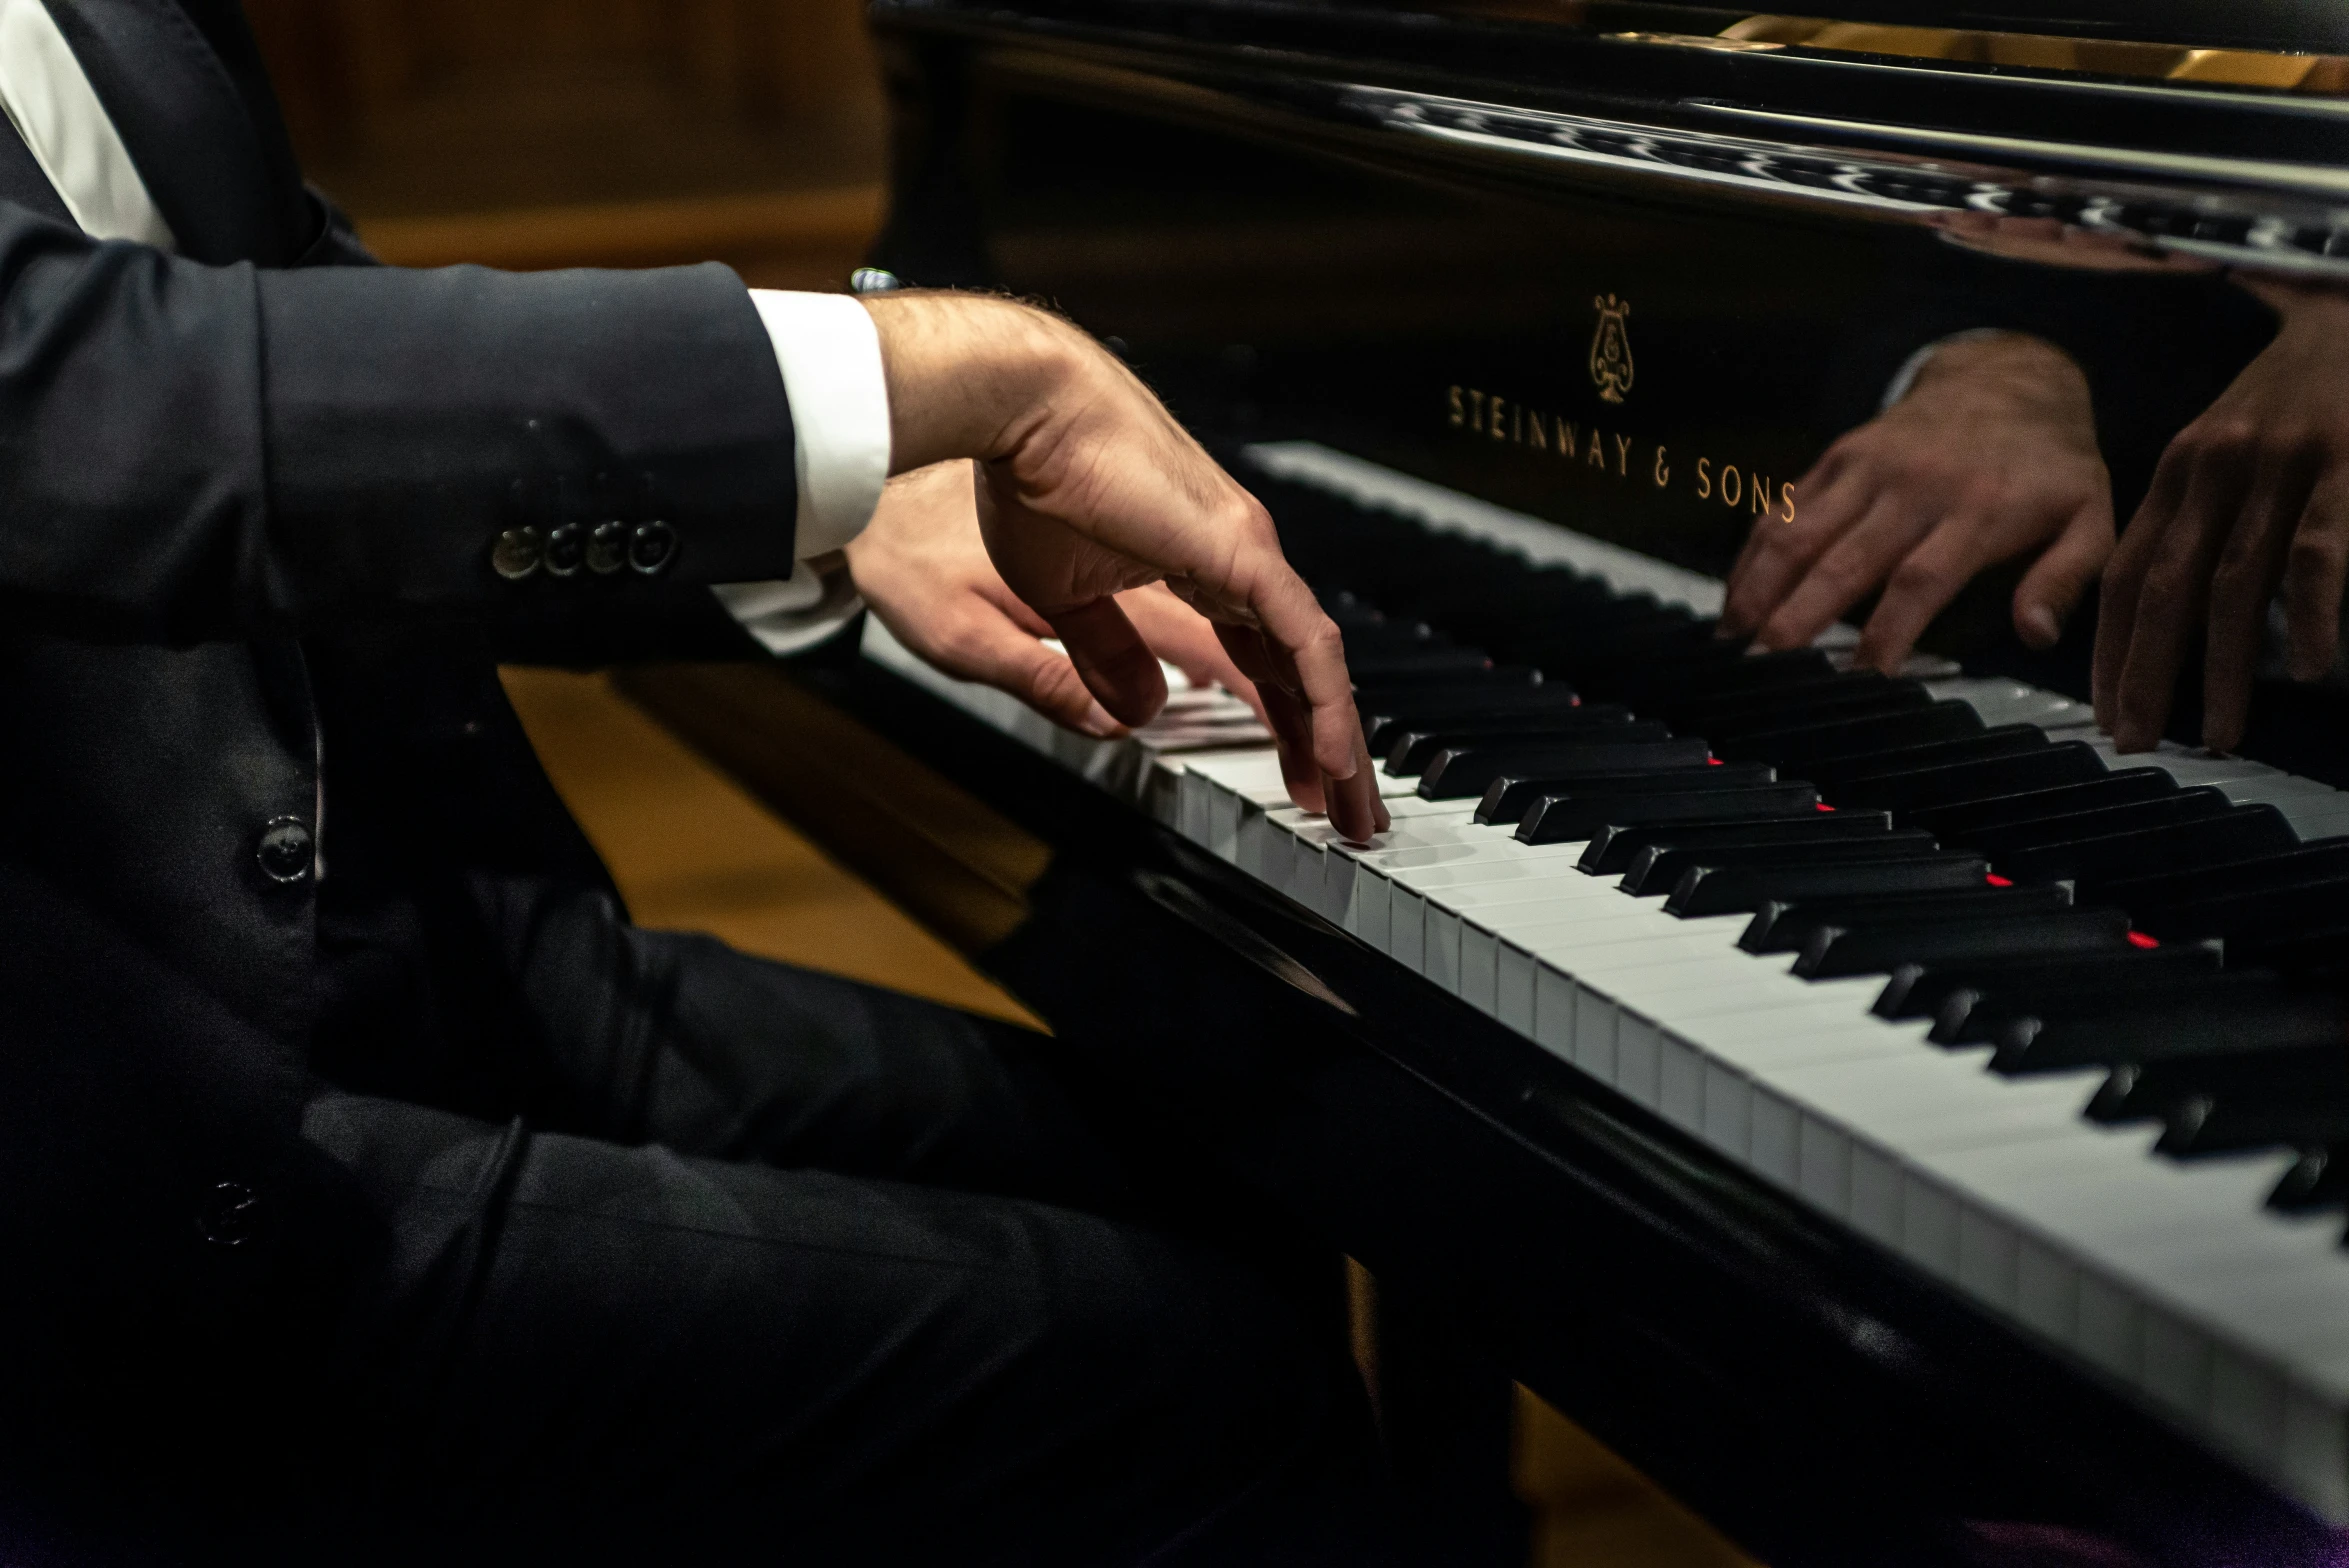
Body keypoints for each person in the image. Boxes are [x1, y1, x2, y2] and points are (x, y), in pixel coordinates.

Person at [0, 2, 1390, 1562]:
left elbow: (292, 315)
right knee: (1207, 1384)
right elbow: (94, 396)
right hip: (135, 1167)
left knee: (1254, 1183)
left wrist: (841, 513)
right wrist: (949, 372)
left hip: (430, 952)